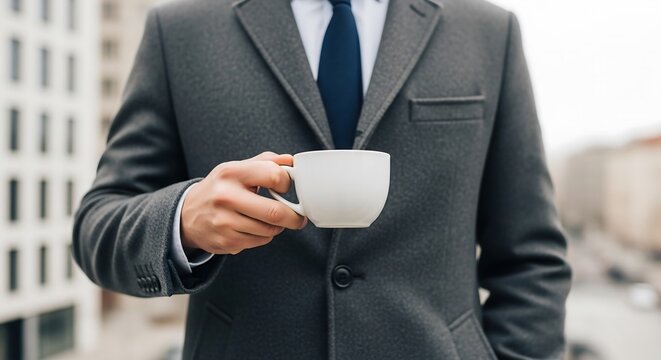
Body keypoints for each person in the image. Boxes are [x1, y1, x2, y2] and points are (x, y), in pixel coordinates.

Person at [73, 0, 572, 359]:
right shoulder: (179, 29)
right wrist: (183, 221)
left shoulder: (487, 31)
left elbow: (531, 259)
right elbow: (97, 226)